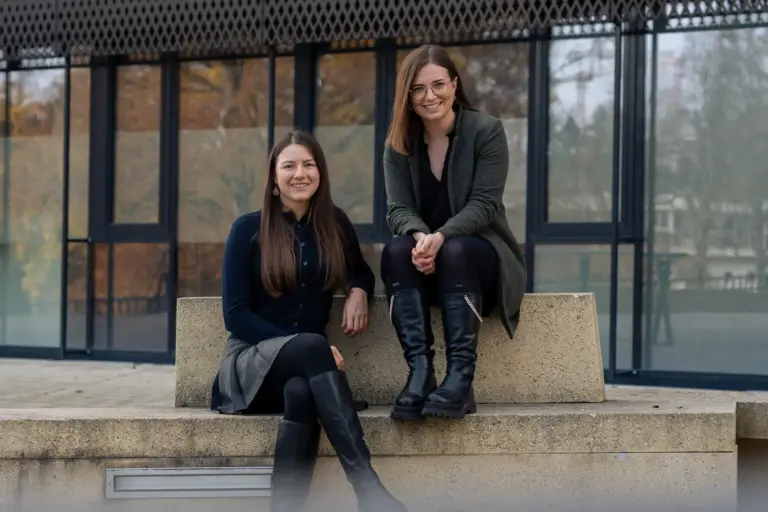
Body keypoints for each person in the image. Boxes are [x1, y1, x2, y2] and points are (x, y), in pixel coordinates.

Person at [210, 130, 407, 512]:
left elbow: (361, 272)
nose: (300, 173)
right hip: (250, 365)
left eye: (309, 164)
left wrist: (358, 291)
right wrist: (300, 346)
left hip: (310, 370)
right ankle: (368, 490)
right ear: (274, 177)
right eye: (289, 166)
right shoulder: (246, 229)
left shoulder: (334, 223)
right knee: (311, 346)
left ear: (320, 173)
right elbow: (235, 316)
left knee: (301, 394)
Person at [381, 45, 527, 421]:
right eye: (418, 89)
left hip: (480, 262)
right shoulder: (398, 144)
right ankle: (421, 374)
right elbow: (398, 210)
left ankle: (461, 378)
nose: (430, 96)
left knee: (457, 250)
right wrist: (419, 239)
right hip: (427, 262)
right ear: (408, 97)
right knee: (395, 252)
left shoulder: (487, 131)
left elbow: (484, 204)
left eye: (438, 85)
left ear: (454, 85)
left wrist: (440, 238)